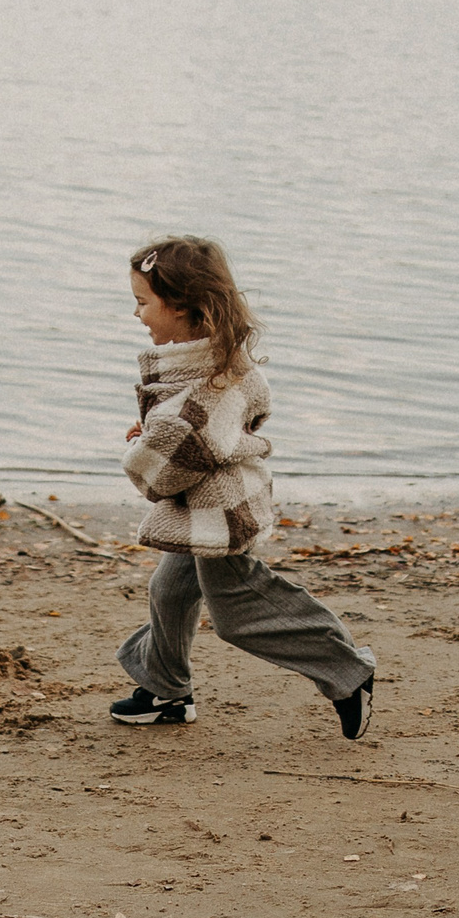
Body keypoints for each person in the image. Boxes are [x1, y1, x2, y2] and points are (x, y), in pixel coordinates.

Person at [109, 235, 379, 739]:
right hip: (209, 504)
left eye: (143, 303)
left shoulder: (212, 383)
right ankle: (166, 689)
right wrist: (154, 429)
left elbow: (163, 467)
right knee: (169, 589)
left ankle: (348, 671)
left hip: (221, 511)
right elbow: (194, 426)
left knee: (237, 611)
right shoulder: (212, 362)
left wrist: (145, 445)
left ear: (183, 306)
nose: (137, 314)